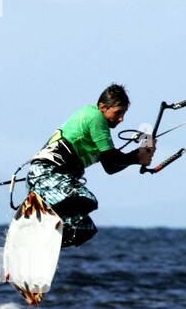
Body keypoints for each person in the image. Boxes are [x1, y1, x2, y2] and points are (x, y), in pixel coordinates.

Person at [26, 84, 154, 247]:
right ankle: (40, 224)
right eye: (118, 113)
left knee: (84, 229)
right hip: (45, 174)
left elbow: (110, 167)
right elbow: (111, 158)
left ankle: (45, 243)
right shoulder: (95, 117)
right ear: (102, 107)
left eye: (124, 113)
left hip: (55, 179)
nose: (121, 119)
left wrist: (137, 158)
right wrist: (137, 156)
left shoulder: (97, 129)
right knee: (85, 200)